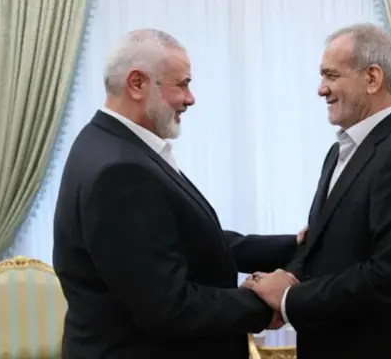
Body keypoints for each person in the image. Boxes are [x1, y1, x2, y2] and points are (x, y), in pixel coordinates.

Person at [53, 29, 300, 359]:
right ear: (137, 83)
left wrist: (292, 246)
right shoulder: (121, 170)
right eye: (181, 84)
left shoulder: (105, 141)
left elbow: (182, 239)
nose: (190, 98)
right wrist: (265, 303)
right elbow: (167, 307)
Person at [243, 23, 391, 358]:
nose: (321, 89)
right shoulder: (339, 151)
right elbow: (321, 245)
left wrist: (289, 299)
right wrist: (286, 276)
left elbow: (390, 276)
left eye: (331, 76)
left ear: (372, 78)